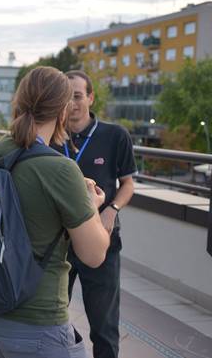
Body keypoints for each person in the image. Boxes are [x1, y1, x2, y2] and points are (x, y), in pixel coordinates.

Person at [0, 66, 113, 358]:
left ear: (18, 102)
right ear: (63, 110)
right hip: (40, 325)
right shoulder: (60, 169)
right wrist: (92, 208)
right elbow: (94, 255)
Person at [53, 70, 136, 358]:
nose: (71, 103)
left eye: (77, 96)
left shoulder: (114, 135)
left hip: (102, 240)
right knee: (52, 321)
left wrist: (111, 210)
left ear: (90, 97)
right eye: (65, 97)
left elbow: (127, 183)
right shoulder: (51, 134)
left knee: (104, 327)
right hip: (58, 242)